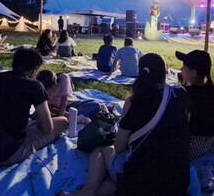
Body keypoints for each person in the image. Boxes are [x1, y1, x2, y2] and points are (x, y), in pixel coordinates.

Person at [61, 53, 190, 196]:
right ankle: (108, 188)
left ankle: (88, 191)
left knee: (101, 151)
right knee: (115, 181)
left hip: (142, 179)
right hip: (176, 180)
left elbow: (119, 147)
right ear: (165, 74)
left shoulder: (134, 102)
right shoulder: (181, 94)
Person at [0, 48, 68, 166]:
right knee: (63, 122)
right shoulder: (34, 85)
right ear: (35, 69)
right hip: (8, 154)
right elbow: (48, 128)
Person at [176, 50, 214, 160]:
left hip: (189, 149)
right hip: (205, 145)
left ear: (193, 72)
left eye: (184, 66)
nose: (181, 69)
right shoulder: (210, 91)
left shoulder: (185, 94)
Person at [36, 70, 101, 119]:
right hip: (55, 109)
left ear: (55, 84)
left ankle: (72, 116)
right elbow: (46, 106)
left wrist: (60, 117)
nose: (49, 95)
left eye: (50, 92)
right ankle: (73, 117)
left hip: (72, 104)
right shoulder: (40, 86)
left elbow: (64, 101)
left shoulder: (63, 78)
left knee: (95, 105)